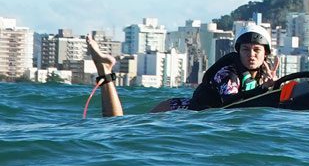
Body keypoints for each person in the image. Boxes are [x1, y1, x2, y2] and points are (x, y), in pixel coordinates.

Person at [86, 24, 278, 116]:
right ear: (238, 51)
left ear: (265, 54)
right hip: (177, 112)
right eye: (245, 49)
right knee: (118, 127)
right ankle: (105, 71)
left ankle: (105, 70)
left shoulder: (261, 75)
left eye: (256, 50)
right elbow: (231, 101)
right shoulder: (227, 74)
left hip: (185, 115)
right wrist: (264, 90)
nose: (251, 55)